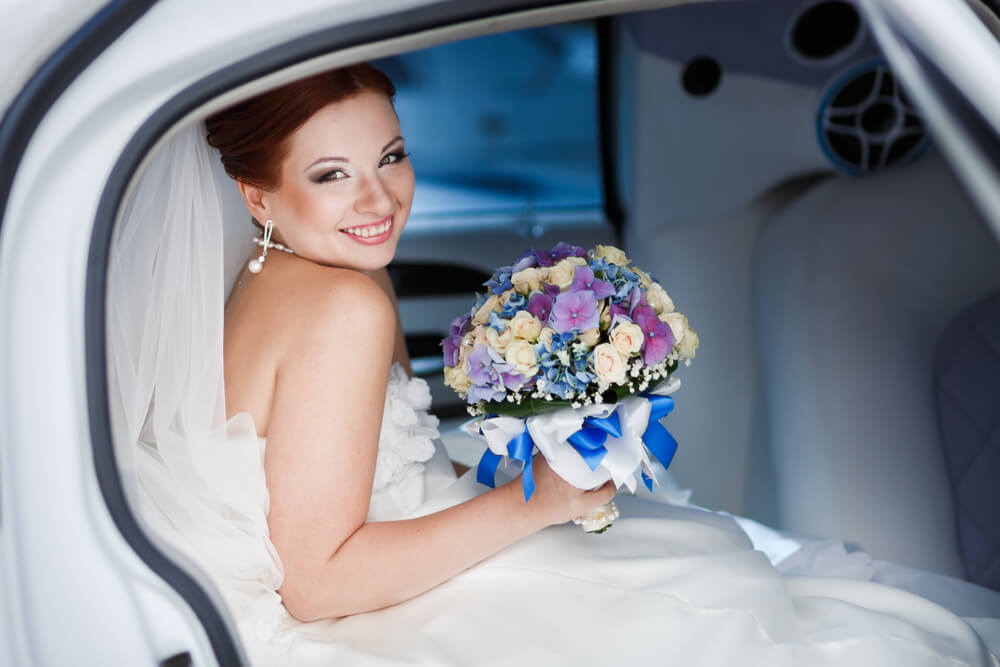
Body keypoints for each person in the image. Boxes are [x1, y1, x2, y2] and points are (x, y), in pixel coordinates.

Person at [109, 63, 998, 666]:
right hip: (345, 605)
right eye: (333, 175)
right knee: (708, 586)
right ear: (256, 192)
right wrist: (537, 500)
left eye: (390, 157)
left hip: (354, 565)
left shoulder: (267, 280)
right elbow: (318, 579)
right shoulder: (344, 305)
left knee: (693, 553)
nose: (379, 198)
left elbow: (334, 480)